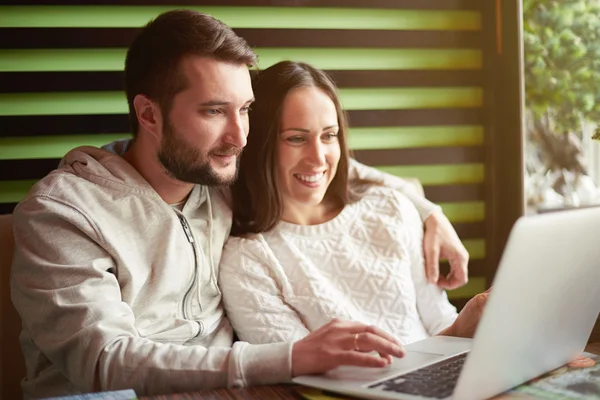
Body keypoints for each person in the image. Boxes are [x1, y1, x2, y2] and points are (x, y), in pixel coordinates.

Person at [10, 10, 467, 399]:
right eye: (213, 111)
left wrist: (429, 211)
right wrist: (291, 357)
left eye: (245, 109)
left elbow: (329, 161)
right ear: (149, 114)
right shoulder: (62, 213)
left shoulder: (217, 169)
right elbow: (103, 361)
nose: (240, 136)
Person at [219, 61, 488, 347]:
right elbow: (304, 371)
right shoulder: (247, 260)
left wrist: (470, 326)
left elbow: (439, 319)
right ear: (259, 143)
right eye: (296, 138)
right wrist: (457, 333)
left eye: (329, 136)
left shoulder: (391, 207)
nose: (319, 157)